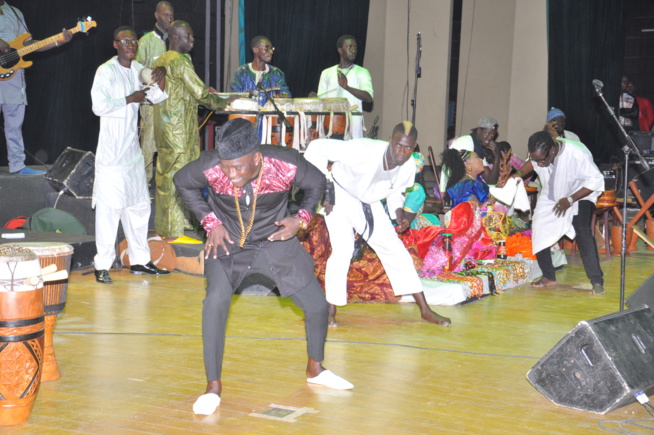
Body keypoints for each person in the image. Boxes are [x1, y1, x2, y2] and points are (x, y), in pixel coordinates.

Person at [174, 118, 352, 416]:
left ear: (257, 158)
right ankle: (213, 387)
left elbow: (317, 183)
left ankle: (315, 368)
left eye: (239, 168)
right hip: (228, 242)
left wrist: (302, 219)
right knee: (214, 303)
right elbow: (182, 181)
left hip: (274, 240)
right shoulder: (211, 165)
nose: (231, 176)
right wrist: (210, 222)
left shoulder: (286, 163)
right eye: (226, 167)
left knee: (317, 306)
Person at [303, 121, 452, 327]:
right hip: (338, 194)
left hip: (368, 203)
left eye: (408, 147)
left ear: (414, 146)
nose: (402, 152)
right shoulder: (362, 149)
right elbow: (317, 147)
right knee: (343, 250)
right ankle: (330, 310)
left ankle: (425, 311)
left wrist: (399, 214)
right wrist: (322, 185)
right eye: (398, 145)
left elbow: (395, 193)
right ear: (390, 141)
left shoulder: (407, 166)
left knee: (395, 249)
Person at [90, 26, 170, 284]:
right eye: (125, 41)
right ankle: (101, 264)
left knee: (138, 206)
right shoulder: (106, 71)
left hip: (132, 153)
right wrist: (129, 98)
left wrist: (160, 77)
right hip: (111, 153)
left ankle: (140, 260)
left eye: (134, 41)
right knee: (109, 210)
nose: (131, 44)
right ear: (115, 44)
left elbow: (157, 97)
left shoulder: (138, 70)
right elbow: (98, 106)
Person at [153, 21, 232, 240]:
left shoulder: (163, 59)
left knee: (165, 178)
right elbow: (201, 95)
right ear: (175, 38)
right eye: (188, 36)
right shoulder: (179, 61)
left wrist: (201, 91)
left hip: (166, 129)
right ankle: (175, 231)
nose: (192, 40)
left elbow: (182, 90)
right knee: (180, 179)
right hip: (179, 132)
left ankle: (170, 226)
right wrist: (226, 103)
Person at [527, 130, 605, 294]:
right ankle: (548, 276)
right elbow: (531, 163)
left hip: (582, 192)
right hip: (554, 193)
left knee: (581, 228)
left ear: (552, 150)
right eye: (536, 160)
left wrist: (570, 199)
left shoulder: (576, 152)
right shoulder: (541, 154)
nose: (539, 164)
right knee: (539, 223)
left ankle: (597, 281)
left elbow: (596, 180)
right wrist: (517, 174)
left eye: (542, 160)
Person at [0, 1, 72, 175]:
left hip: (13, 73)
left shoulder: (15, 12)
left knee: (14, 122)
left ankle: (17, 165)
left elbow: (28, 43)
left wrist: (58, 42)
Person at [135, 1, 174, 185]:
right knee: (149, 146)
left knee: (168, 145)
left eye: (172, 16)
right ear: (157, 15)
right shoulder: (146, 41)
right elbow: (137, 70)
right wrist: (152, 73)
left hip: (170, 103)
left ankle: (164, 184)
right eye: (166, 15)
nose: (169, 19)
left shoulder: (174, 41)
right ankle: (143, 184)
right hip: (150, 104)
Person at [317, 34, 373, 138]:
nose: (353, 50)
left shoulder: (362, 72)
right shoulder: (326, 73)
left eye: (355, 48)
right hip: (329, 127)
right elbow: (321, 101)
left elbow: (369, 97)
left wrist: (347, 87)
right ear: (340, 50)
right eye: (349, 47)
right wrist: (315, 100)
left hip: (352, 128)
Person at [440, 116, 501, 193]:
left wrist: (497, 157)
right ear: (479, 131)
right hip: (454, 191)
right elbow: (450, 171)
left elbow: (491, 181)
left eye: (492, 135)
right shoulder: (466, 143)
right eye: (488, 133)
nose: (490, 138)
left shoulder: (478, 147)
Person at [229, 35, 290, 103]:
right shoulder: (241, 72)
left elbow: (285, 92)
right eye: (266, 48)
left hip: (269, 113)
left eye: (271, 48)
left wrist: (284, 96)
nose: (271, 52)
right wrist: (245, 96)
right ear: (255, 50)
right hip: (246, 113)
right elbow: (233, 96)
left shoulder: (277, 73)